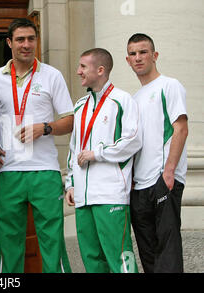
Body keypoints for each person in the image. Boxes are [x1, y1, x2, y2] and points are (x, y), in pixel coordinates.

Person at [0, 18, 73, 273]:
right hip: (8, 172)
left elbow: (70, 121)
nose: (26, 44)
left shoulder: (52, 75)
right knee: (9, 245)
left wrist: (43, 128)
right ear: (9, 43)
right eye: (20, 39)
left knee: (53, 242)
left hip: (45, 171)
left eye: (31, 39)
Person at [65, 48, 142, 273]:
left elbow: (133, 140)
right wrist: (70, 184)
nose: (78, 71)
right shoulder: (80, 105)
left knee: (120, 257)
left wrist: (97, 153)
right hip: (83, 197)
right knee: (92, 259)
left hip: (110, 194)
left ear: (100, 70)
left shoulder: (121, 100)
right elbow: (73, 148)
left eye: (83, 67)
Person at [126, 33, 188, 273]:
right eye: (133, 54)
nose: (138, 58)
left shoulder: (169, 85)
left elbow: (180, 128)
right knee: (148, 253)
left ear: (155, 55)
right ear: (128, 60)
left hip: (163, 180)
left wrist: (169, 173)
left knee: (168, 252)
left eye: (143, 52)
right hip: (139, 188)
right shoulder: (133, 99)